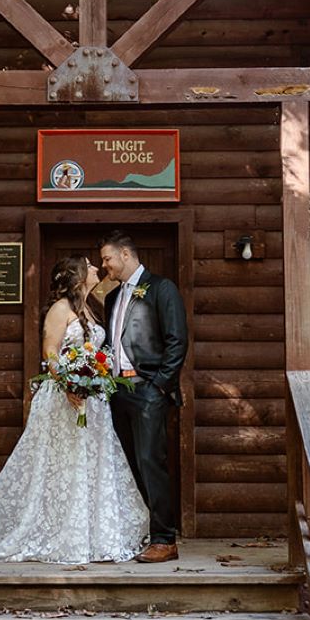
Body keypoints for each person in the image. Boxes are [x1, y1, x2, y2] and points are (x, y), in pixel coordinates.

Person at [0, 255, 149, 564]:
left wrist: (94, 379)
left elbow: (95, 353)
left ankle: (93, 533)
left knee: (91, 463)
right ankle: (58, 533)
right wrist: (70, 386)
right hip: (64, 400)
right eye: (88, 265)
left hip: (94, 401)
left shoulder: (91, 307)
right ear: (76, 277)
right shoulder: (60, 310)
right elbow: (50, 353)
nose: (95, 267)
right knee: (63, 464)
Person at [98, 230, 188, 563]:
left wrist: (160, 385)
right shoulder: (111, 295)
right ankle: (138, 532)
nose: (104, 264)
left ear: (125, 254)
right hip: (116, 391)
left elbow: (177, 339)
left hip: (148, 389)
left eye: (107, 258)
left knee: (152, 463)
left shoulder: (162, 288)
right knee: (128, 465)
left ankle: (165, 539)